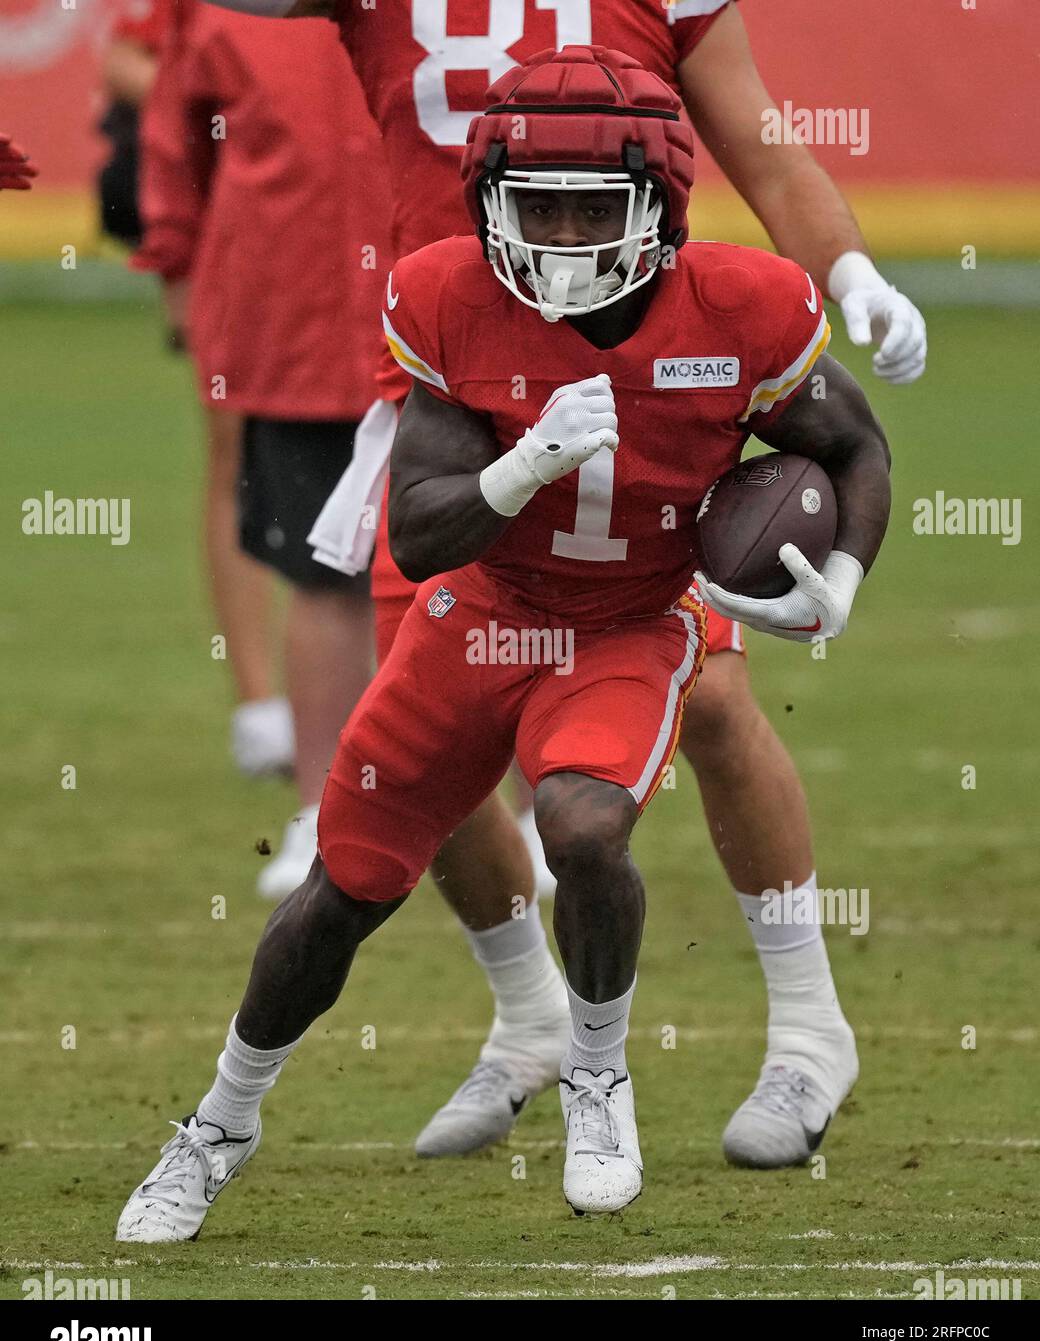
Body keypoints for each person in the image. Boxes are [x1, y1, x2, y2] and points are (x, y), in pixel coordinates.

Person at [116, 46, 891, 1237]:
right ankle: (219, 1123)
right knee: (340, 889)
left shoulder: (742, 306)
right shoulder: (446, 295)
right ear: (488, 207)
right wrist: (521, 462)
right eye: (536, 208)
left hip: (633, 620)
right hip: (478, 613)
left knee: (582, 824)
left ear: (656, 205)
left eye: (593, 205)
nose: (565, 235)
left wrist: (837, 575)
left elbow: (852, 446)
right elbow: (421, 536)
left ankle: (594, 1076)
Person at [133, 3, 391, 891]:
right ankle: (322, 813)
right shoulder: (226, 11)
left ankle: (527, 820)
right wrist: (173, 262)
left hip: (441, 329)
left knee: (485, 580)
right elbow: (175, 142)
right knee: (322, 581)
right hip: (299, 334)